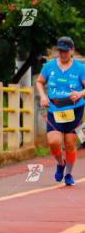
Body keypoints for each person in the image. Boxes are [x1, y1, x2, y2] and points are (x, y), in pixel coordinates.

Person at [35, 36, 85, 186]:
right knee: (54, 142)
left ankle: (68, 174)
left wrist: (80, 93)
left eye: (65, 51)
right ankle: (60, 163)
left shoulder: (80, 68)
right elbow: (39, 82)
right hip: (55, 109)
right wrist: (43, 96)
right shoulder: (49, 66)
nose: (62, 54)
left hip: (75, 109)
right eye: (60, 51)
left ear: (72, 50)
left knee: (70, 144)